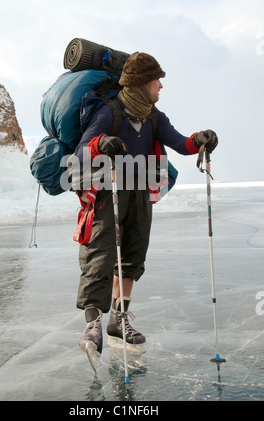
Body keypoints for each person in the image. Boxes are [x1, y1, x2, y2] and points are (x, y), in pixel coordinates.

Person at [70, 52, 218, 361]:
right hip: (107, 190)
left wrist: (201, 138)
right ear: (141, 84)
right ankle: (92, 324)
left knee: (133, 254)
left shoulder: (153, 116)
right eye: (156, 80)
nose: (161, 86)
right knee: (102, 254)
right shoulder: (109, 113)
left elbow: (181, 143)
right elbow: (83, 150)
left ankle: (118, 320)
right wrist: (101, 143)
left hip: (138, 192)